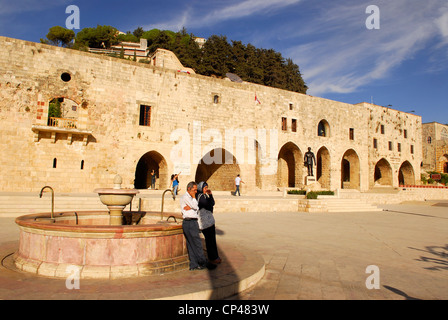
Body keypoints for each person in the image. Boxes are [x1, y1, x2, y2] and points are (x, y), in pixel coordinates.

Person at [180, 181, 216, 271]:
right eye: (194, 190)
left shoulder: (190, 198)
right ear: (189, 189)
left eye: (196, 190)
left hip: (191, 221)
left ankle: (194, 264)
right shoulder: (186, 197)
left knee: (191, 244)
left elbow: (195, 206)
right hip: (190, 222)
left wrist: (192, 205)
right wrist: (193, 202)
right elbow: (196, 206)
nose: (196, 192)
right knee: (197, 243)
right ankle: (204, 262)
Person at [197, 181, 221, 265]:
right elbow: (208, 205)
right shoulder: (200, 196)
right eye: (205, 188)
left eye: (207, 188)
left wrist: (210, 195)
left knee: (212, 239)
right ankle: (212, 257)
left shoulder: (204, 196)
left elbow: (212, 203)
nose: (206, 189)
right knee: (209, 240)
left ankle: (215, 256)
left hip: (209, 221)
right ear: (200, 188)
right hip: (204, 222)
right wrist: (210, 203)